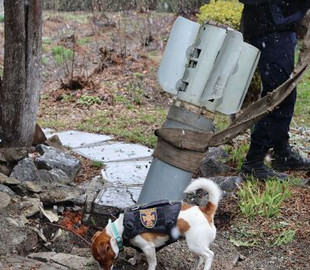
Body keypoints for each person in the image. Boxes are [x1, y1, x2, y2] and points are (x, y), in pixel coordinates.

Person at [239, 0, 310, 180]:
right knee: (278, 95)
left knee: (285, 93)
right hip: (269, 23)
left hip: (281, 23)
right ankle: (254, 162)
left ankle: (281, 152)